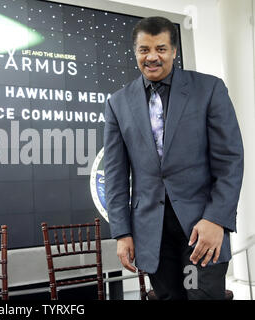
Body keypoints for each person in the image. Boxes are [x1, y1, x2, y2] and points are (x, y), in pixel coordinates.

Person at [103, 16, 244, 300]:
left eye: (161, 48)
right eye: (144, 49)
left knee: (201, 296)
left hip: (202, 228)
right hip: (151, 234)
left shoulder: (209, 89)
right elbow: (115, 175)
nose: (152, 57)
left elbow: (229, 160)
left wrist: (217, 219)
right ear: (135, 52)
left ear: (174, 51)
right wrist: (121, 233)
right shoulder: (117, 103)